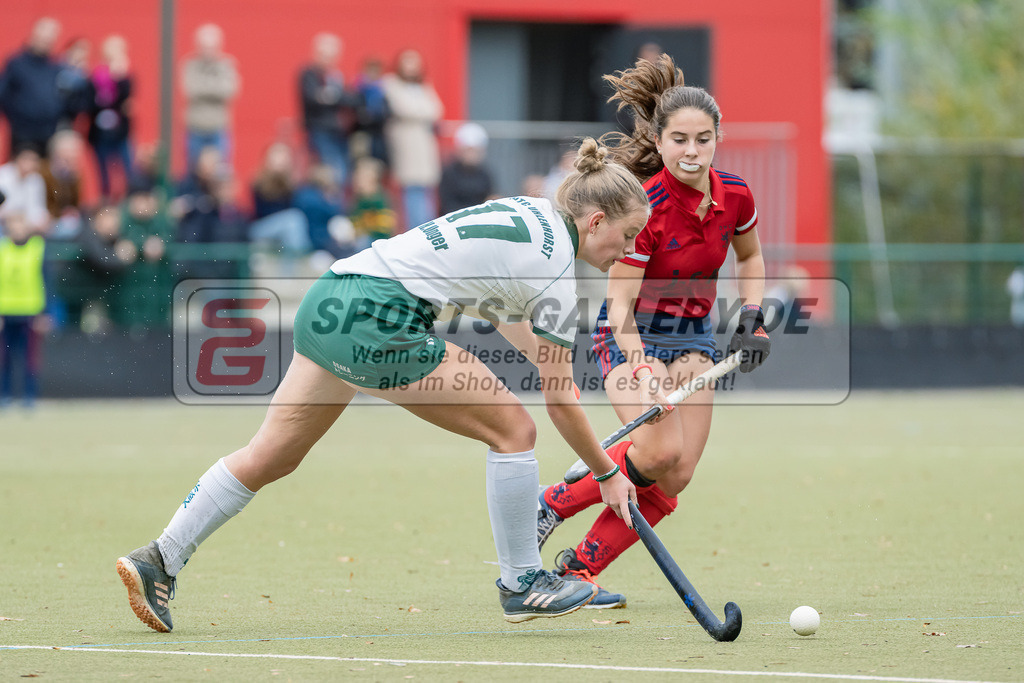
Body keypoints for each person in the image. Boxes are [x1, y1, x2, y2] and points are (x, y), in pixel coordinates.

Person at [115, 138, 650, 633]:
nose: (626, 252)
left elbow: (506, 309)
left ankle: (160, 557)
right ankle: (523, 582)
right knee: (515, 430)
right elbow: (556, 397)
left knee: (270, 455)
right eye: (627, 236)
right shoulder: (557, 270)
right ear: (597, 220)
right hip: (380, 316)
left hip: (331, 297)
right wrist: (606, 472)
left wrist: (558, 375)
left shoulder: (532, 213)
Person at [536, 54, 771, 608]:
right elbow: (618, 306)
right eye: (680, 140)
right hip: (630, 334)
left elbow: (752, 256)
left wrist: (752, 316)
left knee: (677, 475)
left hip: (693, 337)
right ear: (660, 142)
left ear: (717, 139)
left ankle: (582, 568)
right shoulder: (647, 208)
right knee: (658, 451)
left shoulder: (735, 195)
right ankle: (553, 503)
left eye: (703, 139)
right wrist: (643, 368)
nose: (692, 151)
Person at [382, 49, 443, 231]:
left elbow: (437, 110)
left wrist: (420, 111)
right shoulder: (391, 84)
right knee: (411, 191)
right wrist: (422, 111)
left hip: (424, 146)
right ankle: (416, 232)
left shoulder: (424, 86)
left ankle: (429, 232)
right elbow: (403, 108)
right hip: (406, 145)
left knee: (426, 192)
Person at [0, 211, 48, 408]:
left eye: (21, 222)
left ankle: (30, 396)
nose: (17, 227)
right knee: (5, 358)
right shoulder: (2, 249)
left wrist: (45, 312)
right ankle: (5, 395)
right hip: (5, 312)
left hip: (31, 311)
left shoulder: (38, 248)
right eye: (13, 223)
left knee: (30, 358)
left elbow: (47, 281)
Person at [299, 33, 357, 189]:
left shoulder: (336, 76)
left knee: (343, 174)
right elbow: (313, 98)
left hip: (340, 133)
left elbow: (350, 99)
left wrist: (330, 95)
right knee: (328, 173)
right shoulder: (308, 74)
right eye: (324, 55)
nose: (328, 59)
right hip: (320, 131)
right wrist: (335, 96)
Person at [0, 17, 64, 155]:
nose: (46, 42)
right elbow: (3, 94)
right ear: (33, 36)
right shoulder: (16, 63)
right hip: (23, 134)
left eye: (50, 40)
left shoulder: (56, 66)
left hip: (50, 133)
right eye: (43, 38)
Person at [180, 24, 240, 169]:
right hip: (194, 128)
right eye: (204, 46)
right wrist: (215, 87)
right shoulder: (190, 64)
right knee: (192, 171)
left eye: (211, 47)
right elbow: (190, 90)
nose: (207, 51)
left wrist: (203, 86)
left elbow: (229, 91)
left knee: (221, 171)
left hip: (218, 128)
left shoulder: (226, 64)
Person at [87, 35, 134, 199]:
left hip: (120, 133)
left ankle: (127, 202)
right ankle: (105, 205)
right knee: (104, 175)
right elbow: (93, 102)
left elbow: (126, 100)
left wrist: (120, 77)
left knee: (128, 171)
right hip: (100, 133)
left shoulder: (125, 76)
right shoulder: (97, 75)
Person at [439, 122, 495, 216]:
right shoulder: (449, 174)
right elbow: (448, 204)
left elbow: (490, 197)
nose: (471, 155)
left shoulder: (485, 174)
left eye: (475, 151)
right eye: (469, 150)